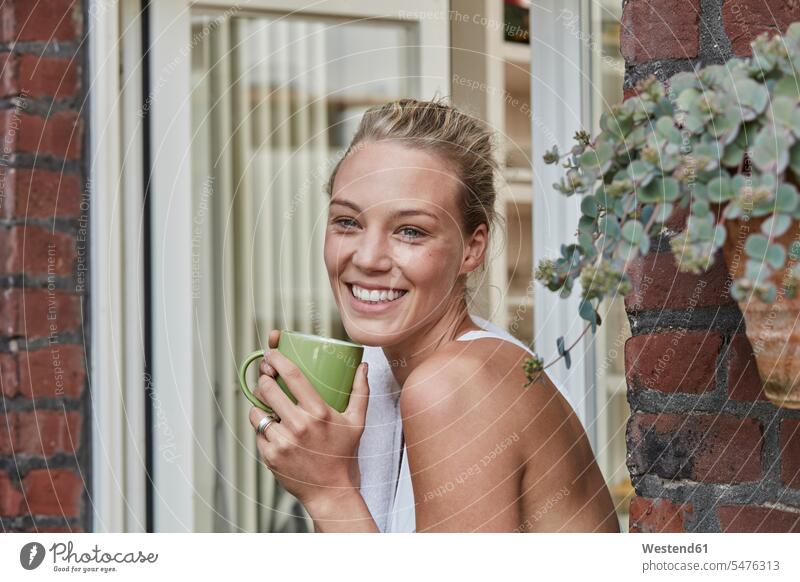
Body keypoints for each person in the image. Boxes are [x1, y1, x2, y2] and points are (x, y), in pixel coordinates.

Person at [248, 98, 619, 533]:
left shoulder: (455, 385)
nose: (367, 258)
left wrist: (328, 490)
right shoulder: (408, 373)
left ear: (472, 248)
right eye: (348, 222)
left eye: (410, 230)